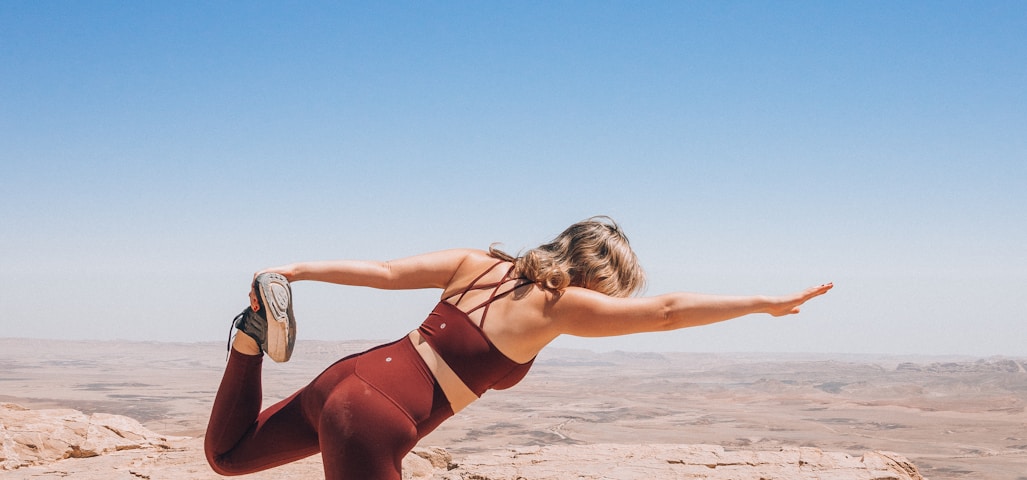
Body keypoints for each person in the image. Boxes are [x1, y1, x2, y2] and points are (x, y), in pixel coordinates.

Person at [204, 216, 832, 479]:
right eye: (614, 290)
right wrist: (761, 303)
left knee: (228, 456)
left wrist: (297, 271)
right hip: (375, 419)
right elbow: (666, 314)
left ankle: (247, 342)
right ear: (599, 276)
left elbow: (386, 271)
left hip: (350, 376)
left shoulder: (477, 264)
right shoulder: (560, 304)